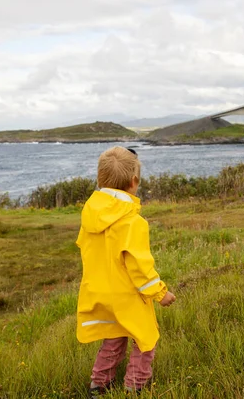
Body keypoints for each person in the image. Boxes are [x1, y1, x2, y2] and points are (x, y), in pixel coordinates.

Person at [75, 146, 176, 396]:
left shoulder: (89, 216)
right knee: (145, 340)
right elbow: (139, 268)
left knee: (113, 338)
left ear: (100, 179)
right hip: (127, 296)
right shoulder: (133, 222)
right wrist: (160, 293)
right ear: (134, 182)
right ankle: (134, 387)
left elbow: (86, 251)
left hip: (97, 291)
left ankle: (98, 385)